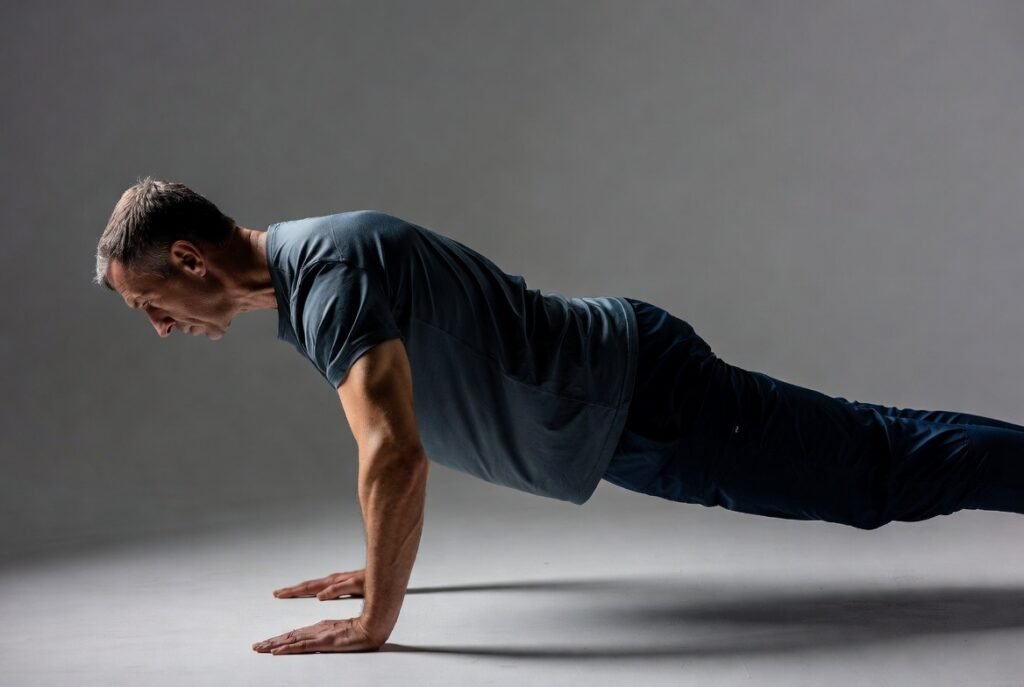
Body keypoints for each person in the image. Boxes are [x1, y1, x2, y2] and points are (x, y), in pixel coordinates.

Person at [94, 178, 1024, 655]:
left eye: (149, 304)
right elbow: (411, 425)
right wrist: (382, 557)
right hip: (626, 397)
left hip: (640, 400)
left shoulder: (327, 281)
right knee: (878, 446)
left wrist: (378, 616)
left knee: (877, 470)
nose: (161, 328)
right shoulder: (311, 278)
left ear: (190, 259)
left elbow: (395, 454)